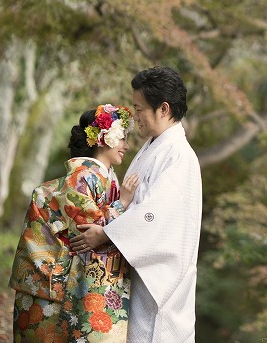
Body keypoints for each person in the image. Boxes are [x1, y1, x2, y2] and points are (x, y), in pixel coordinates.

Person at [70, 66, 202, 343]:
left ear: (163, 109)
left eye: (139, 109)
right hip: (138, 267)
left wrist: (104, 233)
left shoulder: (178, 155)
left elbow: (155, 215)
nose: (135, 117)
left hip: (158, 279)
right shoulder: (155, 146)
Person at [9, 104, 140, 343]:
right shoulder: (83, 176)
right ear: (103, 139)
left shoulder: (100, 176)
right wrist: (122, 204)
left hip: (59, 283)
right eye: (122, 138)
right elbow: (89, 231)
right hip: (49, 286)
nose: (126, 146)